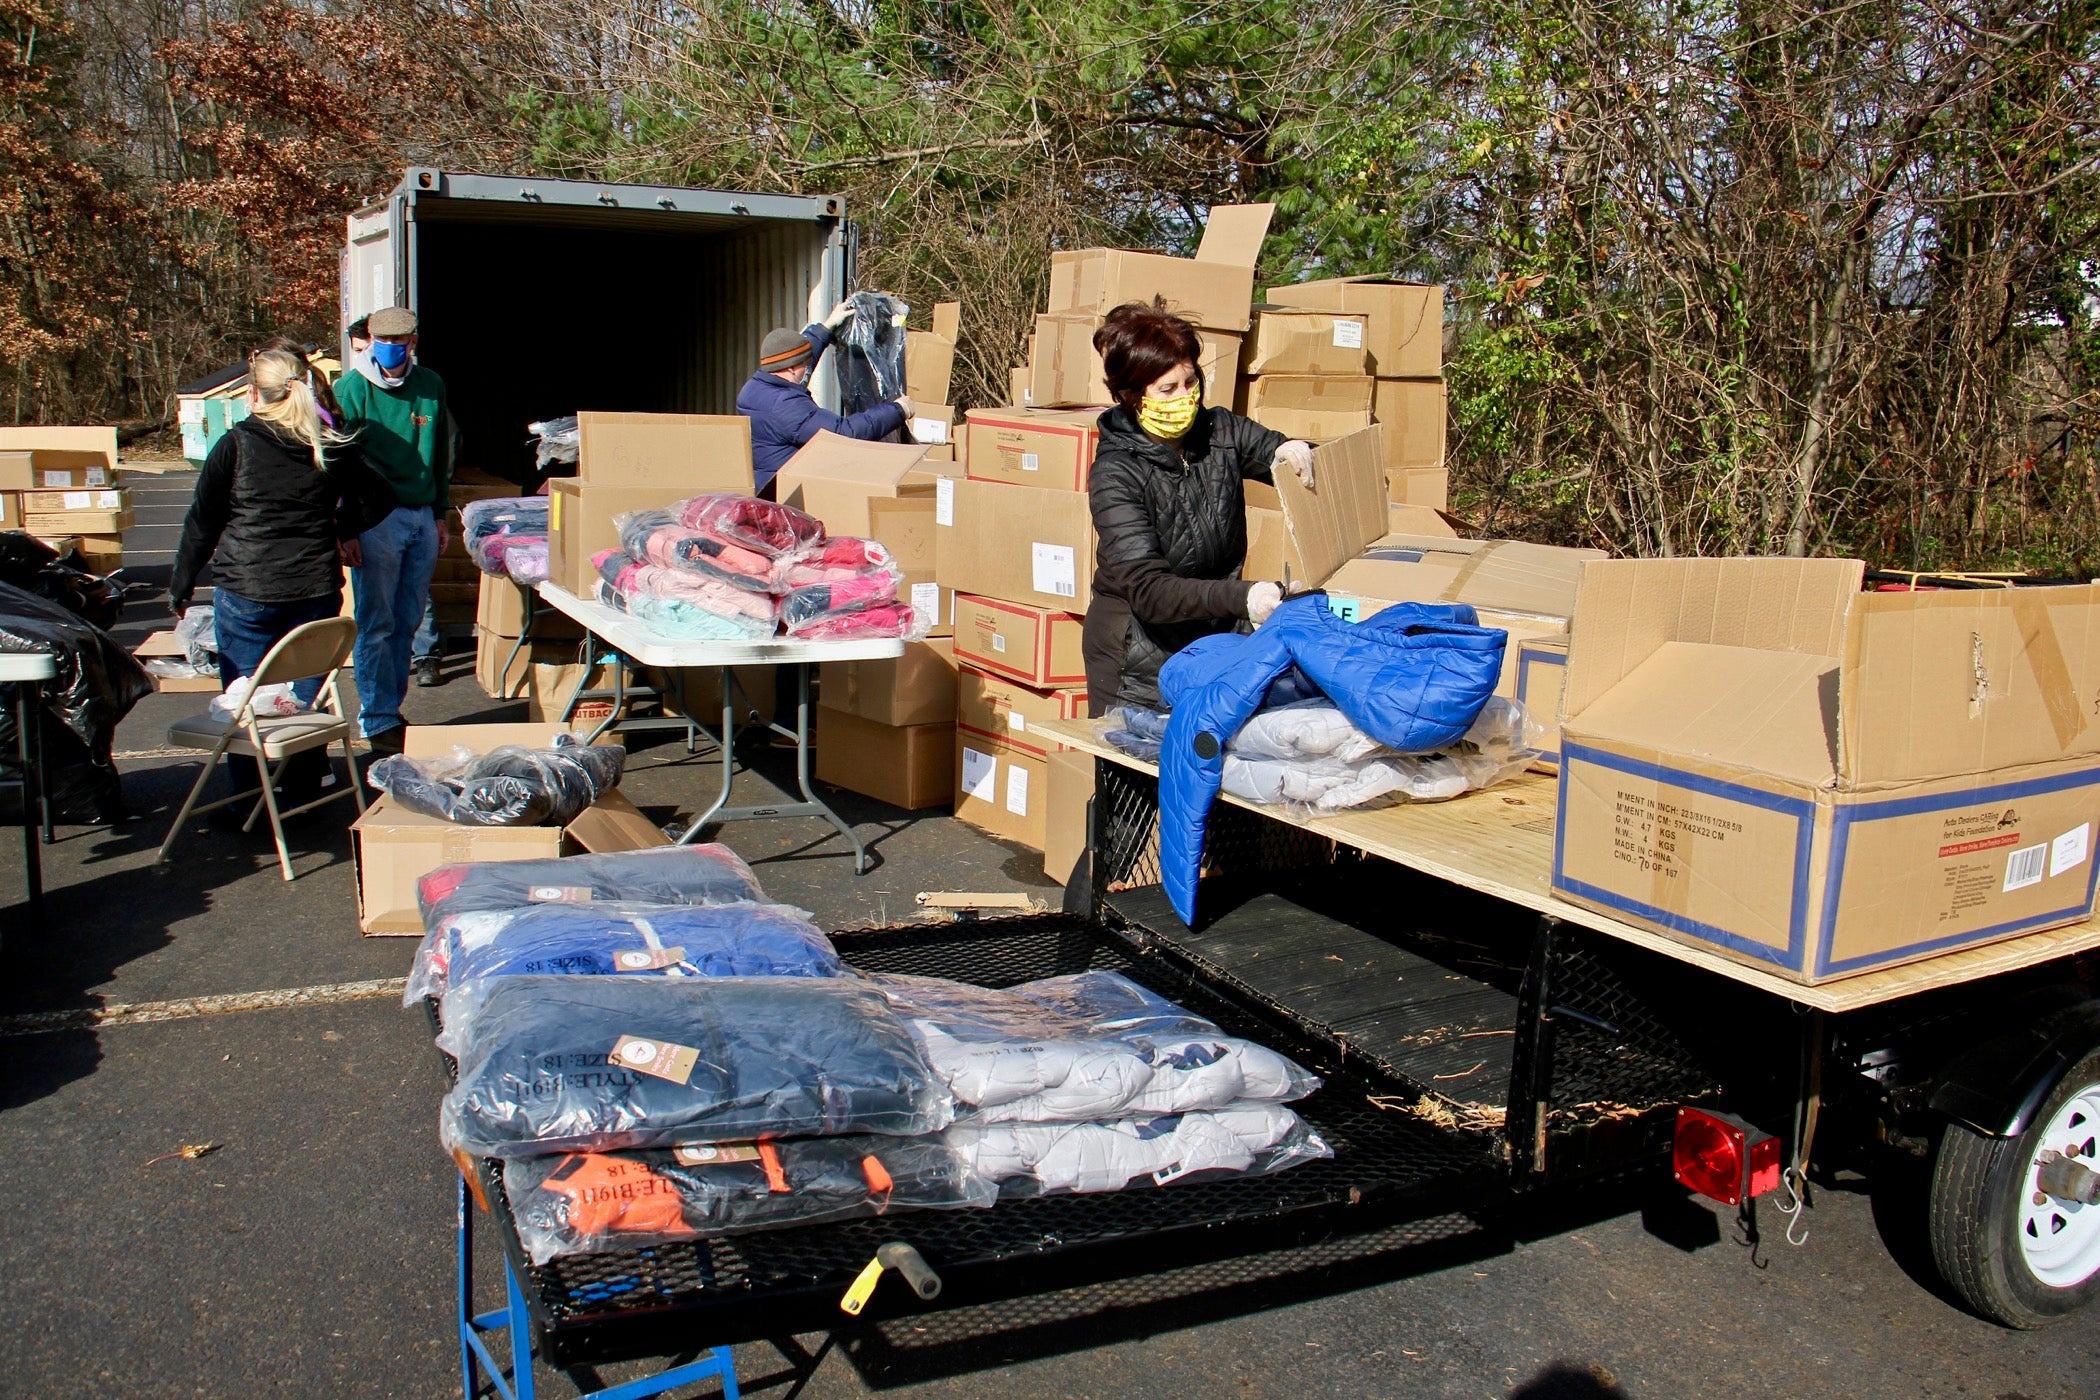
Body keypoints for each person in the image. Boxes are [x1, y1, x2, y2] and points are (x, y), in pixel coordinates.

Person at [169, 347, 395, 802]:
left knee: (247, 704)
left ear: (253, 393)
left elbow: (203, 520)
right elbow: (381, 495)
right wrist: (341, 527)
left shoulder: (237, 444)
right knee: (301, 701)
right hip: (313, 587)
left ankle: (252, 800)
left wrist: (182, 580)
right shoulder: (325, 445)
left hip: (249, 590)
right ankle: (303, 788)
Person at [1083, 299, 1316, 714]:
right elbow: (1150, 592)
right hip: (1139, 660)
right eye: (1168, 389)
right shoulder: (1115, 475)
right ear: (1130, 396)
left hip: (1216, 640)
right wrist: (1246, 597)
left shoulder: (1218, 431)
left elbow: (1273, 453)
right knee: (1140, 774)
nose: (1186, 398)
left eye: (1191, 382)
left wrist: (1293, 450)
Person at [334, 305, 453, 751]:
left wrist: (439, 513)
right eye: (380, 341)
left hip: (420, 513)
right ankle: (376, 716)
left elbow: (438, 453)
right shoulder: (352, 389)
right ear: (370, 339)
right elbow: (336, 462)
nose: (388, 349)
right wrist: (346, 527)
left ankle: (392, 709)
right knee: (376, 621)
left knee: (407, 619)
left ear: (412, 342)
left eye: (397, 342)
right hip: (375, 517)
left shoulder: (430, 385)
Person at [737, 301, 913, 493]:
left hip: (767, 482)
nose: (807, 368)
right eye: (804, 364)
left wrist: (827, 325)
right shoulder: (787, 407)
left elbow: (800, 355)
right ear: (791, 368)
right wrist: (898, 410)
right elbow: (845, 432)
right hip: (787, 497)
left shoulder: (756, 388)